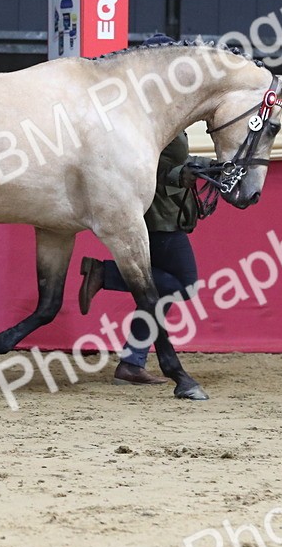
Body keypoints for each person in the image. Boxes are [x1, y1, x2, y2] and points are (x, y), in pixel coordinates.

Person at [77, 34, 216, 386]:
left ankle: (132, 361)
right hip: (155, 213)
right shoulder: (141, 111)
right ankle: (105, 276)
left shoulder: (160, 107)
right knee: (182, 284)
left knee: (160, 289)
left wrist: (199, 166)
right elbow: (136, 165)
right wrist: (180, 174)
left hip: (165, 209)